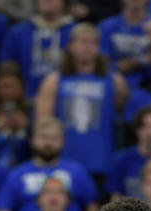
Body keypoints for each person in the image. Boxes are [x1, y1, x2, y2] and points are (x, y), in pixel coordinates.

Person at [34, 22, 129, 182]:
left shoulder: (115, 81)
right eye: (83, 42)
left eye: (93, 43)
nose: (88, 47)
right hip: (64, 162)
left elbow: (123, 119)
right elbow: (43, 124)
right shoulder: (54, 81)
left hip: (102, 161)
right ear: (71, 46)